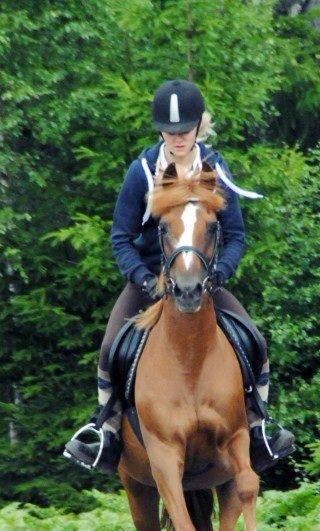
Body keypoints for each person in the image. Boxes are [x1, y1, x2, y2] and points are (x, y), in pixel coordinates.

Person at [63, 78, 295, 475]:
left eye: (185, 130)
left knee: (254, 340)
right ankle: (106, 429)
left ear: (198, 126)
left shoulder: (215, 169)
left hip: (203, 280)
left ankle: (259, 426)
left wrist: (220, 273)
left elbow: (236, 235)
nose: (177, 138)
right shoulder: (142, 170)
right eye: (170, 131)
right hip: (151, 280)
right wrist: (142, 278)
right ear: (160, 131)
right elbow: (120, 236)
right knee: (109, 348)